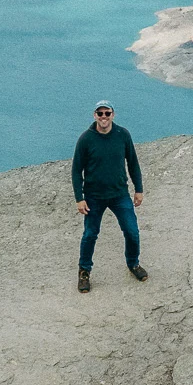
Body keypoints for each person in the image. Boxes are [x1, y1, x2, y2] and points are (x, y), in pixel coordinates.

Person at [71, 100, 146, 293]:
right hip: (94, 197)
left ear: (113, 115)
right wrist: (79, 198)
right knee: (90, 235)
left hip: (119, 194)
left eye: (107, 113)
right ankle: (84, 272)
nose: (104, 117)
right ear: (94, 115)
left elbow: (133, 163)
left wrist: (139, 189)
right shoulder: (86, 139)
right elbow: (76, 170)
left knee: (132, 231)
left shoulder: (123, 135)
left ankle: (133, 264)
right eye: (100, 113)